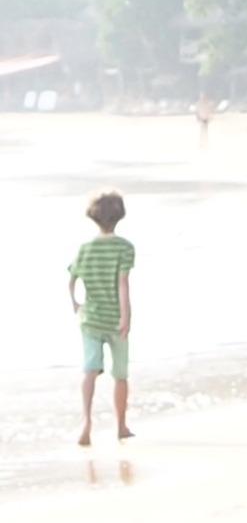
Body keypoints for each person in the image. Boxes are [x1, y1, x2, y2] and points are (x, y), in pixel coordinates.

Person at [67, 191, 136, 447]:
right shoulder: (124, 247)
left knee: (90, 370)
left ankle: (86, 422)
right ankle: (120, 425)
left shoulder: (85, 248)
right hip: (115, 319)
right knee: (120, 374)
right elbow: (122, 283)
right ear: (119, 215)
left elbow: (72, 280)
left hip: (90, 319)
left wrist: (76, 304)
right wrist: (125, 317)